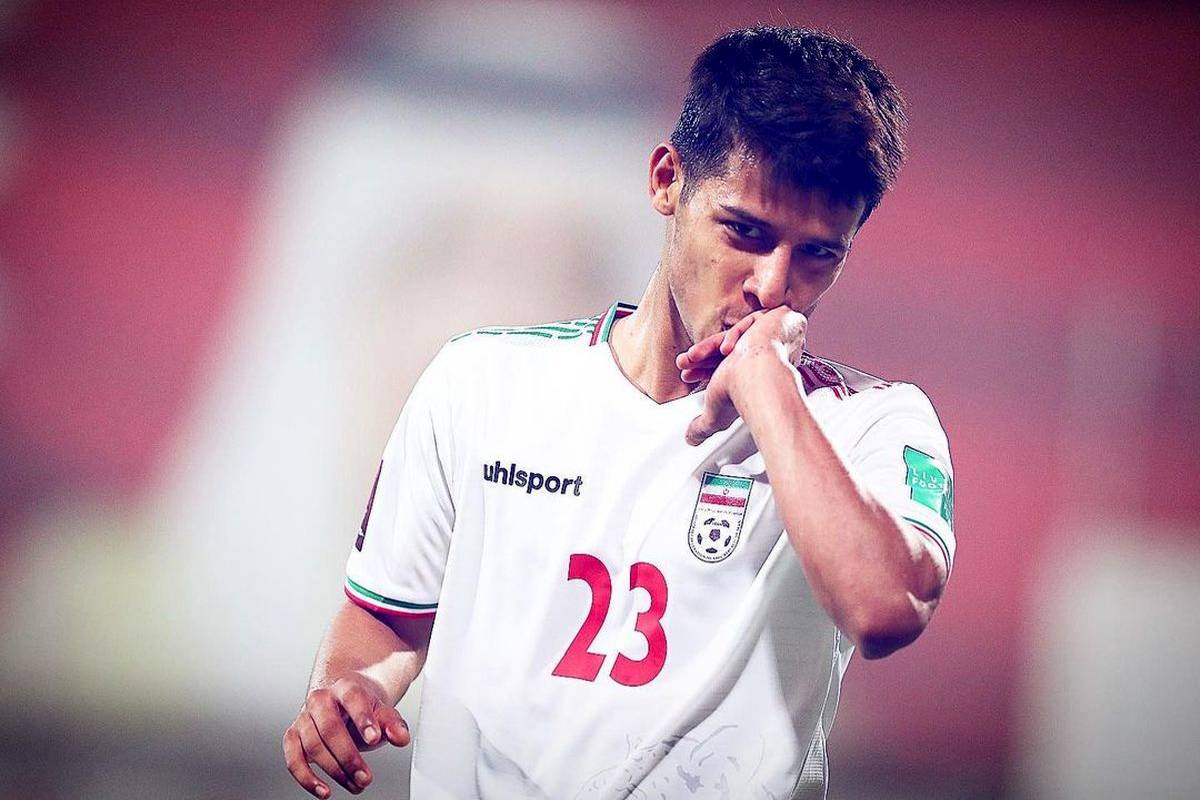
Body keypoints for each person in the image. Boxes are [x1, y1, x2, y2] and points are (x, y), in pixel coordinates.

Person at [283, 25, 955, 800]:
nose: (773, 285)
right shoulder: (480, 382)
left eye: (818, 254)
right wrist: (349, 691)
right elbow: (387, 619)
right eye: (746, 232)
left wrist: (769, 389)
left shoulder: (873, 424)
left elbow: (886, 607)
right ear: (667, 180)